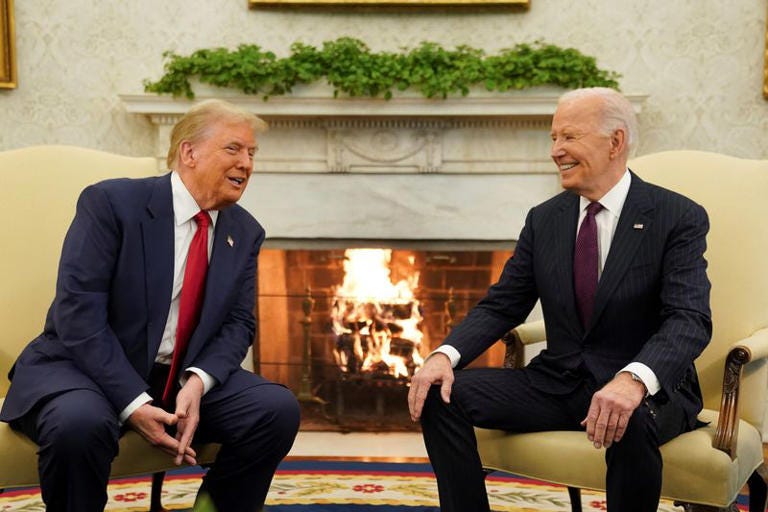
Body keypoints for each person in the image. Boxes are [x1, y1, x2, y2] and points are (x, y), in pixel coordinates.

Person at [407, 87, 711, 512]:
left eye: (568, 137)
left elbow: (688, 318)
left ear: (615, 142)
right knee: (443, 396)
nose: (556, 151)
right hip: (558, 381)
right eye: (553, 138)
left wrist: (633, 380)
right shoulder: (545, 219)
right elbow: (503, 303)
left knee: (631, 418)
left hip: (644, 387)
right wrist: (445, 355)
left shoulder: (676, 216)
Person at [0, 99, 300, 512]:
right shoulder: (111, 204)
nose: (246, 164)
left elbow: (238, 323)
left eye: (252, 153)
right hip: (83, 369)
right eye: (233, 149)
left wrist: (198, 381)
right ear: (188, 152)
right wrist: (134, 403)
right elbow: (78, 314)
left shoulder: (244, 231)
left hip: (175, 377)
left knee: (274, 409)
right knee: (78, 425)